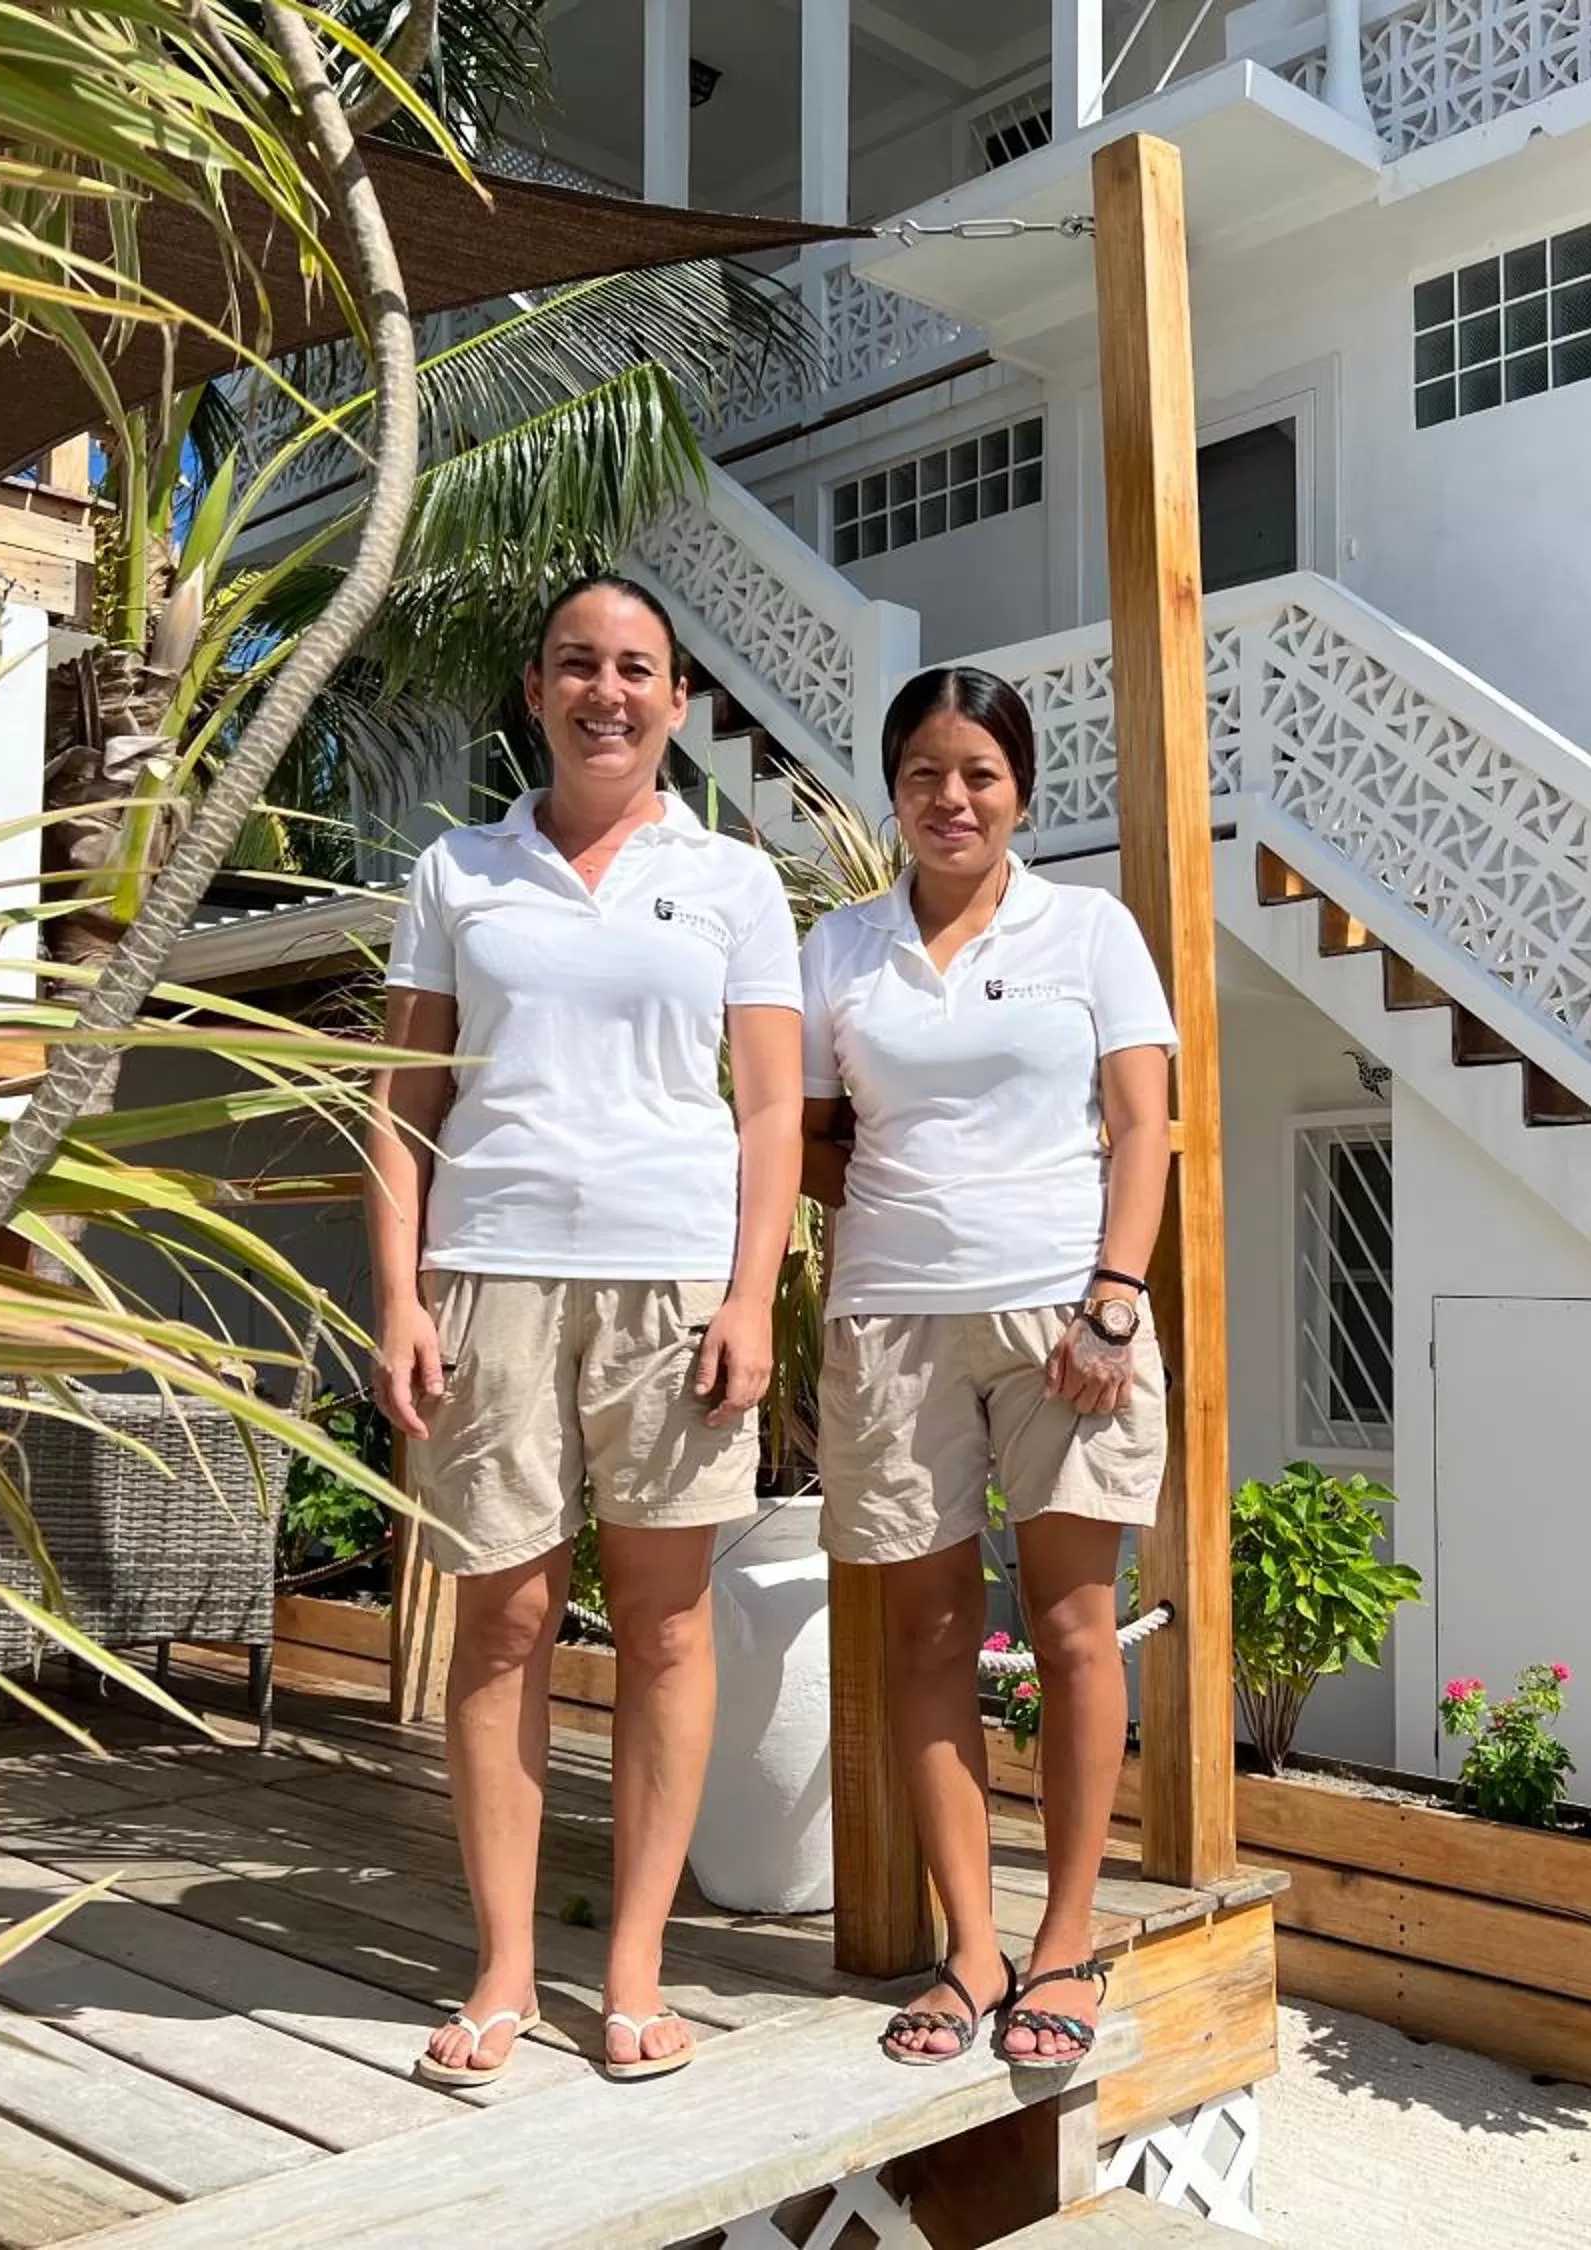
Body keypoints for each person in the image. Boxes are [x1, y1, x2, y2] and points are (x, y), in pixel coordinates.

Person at [365, 575, 802, 2087]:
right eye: (577, 665)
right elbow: (402, 1107)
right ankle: (499, 1966)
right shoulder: (457, 872)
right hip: (491, 1277)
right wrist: (401, 1295)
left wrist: (751, 1295)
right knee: (503, 1621)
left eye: (636, 669)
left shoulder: (738, 883)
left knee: (671, 1624)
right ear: (537, 689)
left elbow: (765, 1112)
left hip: (675, 1286)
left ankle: (631, 1967)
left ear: (676, 700)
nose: (606, 691)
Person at [800, 665, 1177, 2068]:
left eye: (980, 775)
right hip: (891, 1322)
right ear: (891, 789)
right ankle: (972, 1947)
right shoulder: (836, 947)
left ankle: (1066, 1939)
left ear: (1021, 790)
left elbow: (1145, 1129)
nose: (951, 799)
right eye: (923, 775)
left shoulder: (1089, 930)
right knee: (928, 1638)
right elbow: (817, 1139)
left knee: (1079, 1631)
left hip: (1067, 1324)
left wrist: (1115, 1300)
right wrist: (920, 1205)